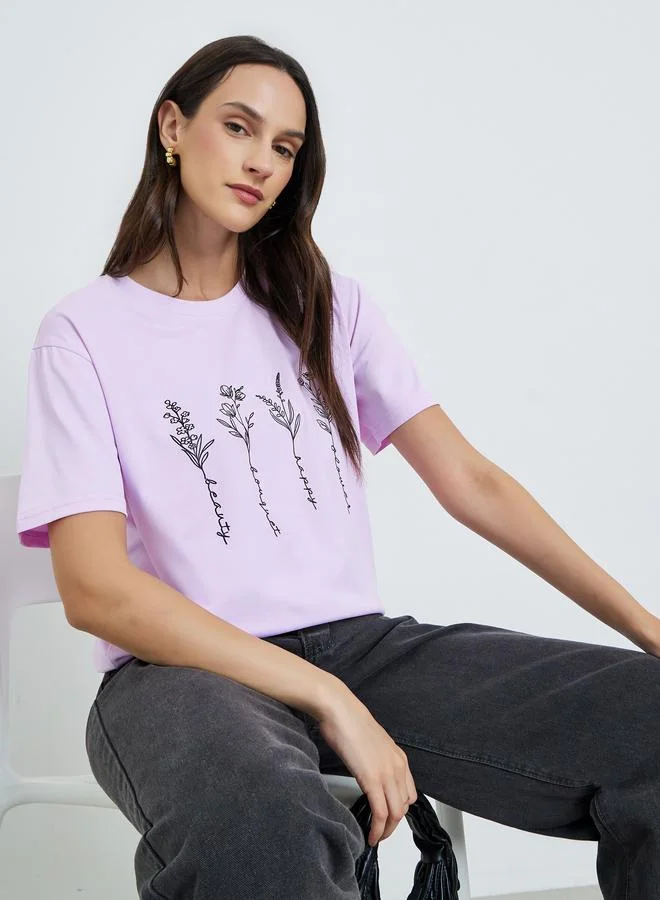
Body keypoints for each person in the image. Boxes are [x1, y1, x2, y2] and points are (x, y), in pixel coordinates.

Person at [15, 34, 660, 900]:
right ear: (172, 126)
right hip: (178, 675)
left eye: (285, 147)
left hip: (360, 647)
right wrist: (327, 697)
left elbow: (472, 483)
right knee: (265, 821)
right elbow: (95, 589)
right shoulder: (84, 334)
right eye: (238, 127)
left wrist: (649, 628)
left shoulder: (327, 306)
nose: (262, 162)